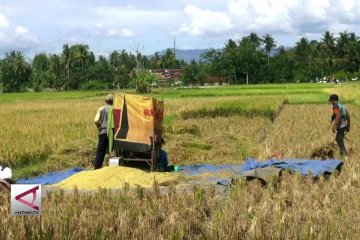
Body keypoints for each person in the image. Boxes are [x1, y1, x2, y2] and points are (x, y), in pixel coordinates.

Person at [94, 94, 114, 169]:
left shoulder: (101, 109)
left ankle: (97, 168)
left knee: (100, 152)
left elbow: (96, 120)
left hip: (103, 132)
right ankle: (111, 168)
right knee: (112, 151)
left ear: (105, 101)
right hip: (113, 133)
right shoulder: (115, 109)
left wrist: (100, 127)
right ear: (113, 102)